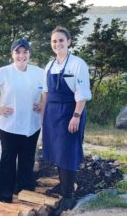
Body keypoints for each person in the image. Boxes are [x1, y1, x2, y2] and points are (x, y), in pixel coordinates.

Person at [0, 38, 44, 203]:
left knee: (27, 159)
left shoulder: (38, 72)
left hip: (32, 125)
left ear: (29, 53)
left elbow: (48, 90)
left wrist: (44, 103)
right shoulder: (3, 72)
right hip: (9, 126)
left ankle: (25, 192)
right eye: (18, 52)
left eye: (25, 52)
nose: (21, 55)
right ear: (12, 54)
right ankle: (5, 195)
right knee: (8, 160)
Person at [41, 26, 92, 214]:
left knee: (67, 151)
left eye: (61, 40)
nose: (57, 44)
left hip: (71, 112)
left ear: (69, 42)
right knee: (56, 151)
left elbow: (82, 94)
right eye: (54, 41)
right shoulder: (49, 65)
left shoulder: (78, 64)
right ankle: (63, 186)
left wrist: (76, 116)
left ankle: (69, 196)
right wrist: (43, 117)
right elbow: (45, 93)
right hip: (52, 114)